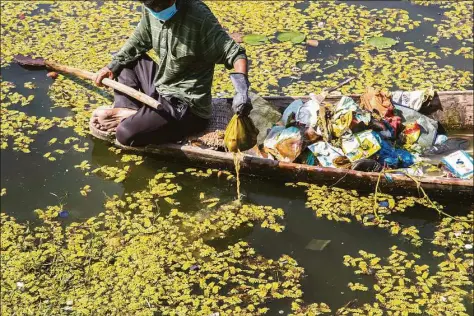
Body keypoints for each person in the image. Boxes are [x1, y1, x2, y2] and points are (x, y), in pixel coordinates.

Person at [92, 0, 252, 147]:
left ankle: (131, 118)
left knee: (124, 134)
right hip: (161, 87)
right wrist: (110, 68)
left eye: (160, 7)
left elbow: (235, 53)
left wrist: (242, 90)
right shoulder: (151, 9)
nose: (157, 11)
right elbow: (137, 42)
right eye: (152, 7)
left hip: (187, 106)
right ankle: (131, 112)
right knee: (124, 61)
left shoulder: (199, 18)